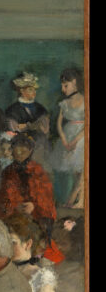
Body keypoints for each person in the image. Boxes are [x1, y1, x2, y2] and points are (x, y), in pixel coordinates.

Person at [0, 133, 57, 238]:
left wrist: (34, 206)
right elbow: (4, 197)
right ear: (12, 150)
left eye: (24, 149)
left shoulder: (38, 170)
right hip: (15, 215)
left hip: (36, 215)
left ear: (30, 150)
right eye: (16, 148)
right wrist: (16, 206)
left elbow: (46, 197)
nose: (19, 152)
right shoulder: (8, 172)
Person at [48, 67, 85, 208]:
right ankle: (75, 200)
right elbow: (59, 124)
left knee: (82, 170)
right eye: (62, 86)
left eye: (66, 86)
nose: (63, 89)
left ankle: (74, 198)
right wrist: (64, 140)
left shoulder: (85, 100)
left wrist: (75, 141)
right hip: (67, 136)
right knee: (74, 171)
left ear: (74, 82)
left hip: (82, 136)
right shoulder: (64, 103)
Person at [5, 71, 50, 165]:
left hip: (40, 147)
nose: (34, 92)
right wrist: (29, 126)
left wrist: (37, 127)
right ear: (21, 90)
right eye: (30, 89)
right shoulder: (12, 110)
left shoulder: (41, 109)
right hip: (21, 149)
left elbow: (45, 129)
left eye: (35, 89)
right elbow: (13, 129)